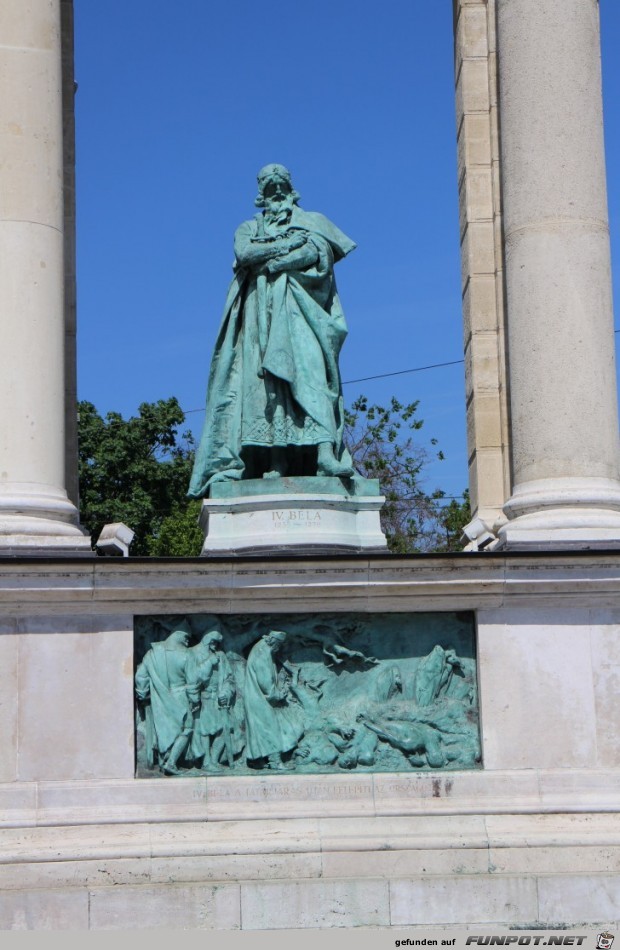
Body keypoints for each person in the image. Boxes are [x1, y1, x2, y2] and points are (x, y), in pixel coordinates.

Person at [188, 164, 356, 497]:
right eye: (269, 188)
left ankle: (325, 454)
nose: (276, 193)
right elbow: (245, 253)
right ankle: (276, 459)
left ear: (292, 189)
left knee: (312, 377)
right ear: (260, 194)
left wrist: (277, 263)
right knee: (266, 389)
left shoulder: (311, 222)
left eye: (281, 186)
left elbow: (317, 253)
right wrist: (285, 247)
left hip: (301, 315)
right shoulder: (248, 226)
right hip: (258, 319)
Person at [135, 623, 198, 775]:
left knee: (166, 730)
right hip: (180, 697)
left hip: (160, 699)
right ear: (177, 635)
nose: (188, 641)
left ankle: (166, 759)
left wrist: (142, 693)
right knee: (187, 728)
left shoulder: (152, 654)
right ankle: (171, 762)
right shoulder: (187, 654)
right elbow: (192, 684)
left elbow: (141, 676)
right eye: (186, 637)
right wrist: (195, 700)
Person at [243, 630, 303, 770]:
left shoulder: (262, 649)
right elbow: (265, 682)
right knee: (271, 728)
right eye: (280, 645)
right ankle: (275, 761)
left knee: (261, 730)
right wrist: (277, 694)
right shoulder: (262, 654)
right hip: (261, 699)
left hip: (257, 698)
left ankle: (258, 760)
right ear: (274, 642)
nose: (280, 648)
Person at [188, 623, 239, 771]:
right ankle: (206, 762)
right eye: (213, 642)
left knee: (225, 729)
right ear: (206, 639)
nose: (215, 645)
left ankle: (214, 760)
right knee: (204, 731)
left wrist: (226, 693)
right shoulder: (193, 654)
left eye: (217, 643)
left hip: (219, 700)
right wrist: (209, 662)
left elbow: (229, 679)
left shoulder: (221, 656)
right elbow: (194, 678)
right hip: (202, 699)